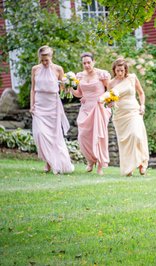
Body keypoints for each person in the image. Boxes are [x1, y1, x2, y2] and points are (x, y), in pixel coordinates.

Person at [30, 45, 74, 174]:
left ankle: (51, 163)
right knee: (40, 134)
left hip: (53, 105)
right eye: (42, 60)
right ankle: (48, 160)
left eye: (46, 60)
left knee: (54, 135)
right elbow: (32, 88)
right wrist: (32, 104)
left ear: (51, 57)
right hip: (39, 104)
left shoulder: (58, 69)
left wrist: (67, 85)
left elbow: (63, 89)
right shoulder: (35, 69)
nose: (44, 63)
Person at [107, 58, 149, 176]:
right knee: (125, 142)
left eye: (122, 70)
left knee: (136, 135)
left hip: (133, 111)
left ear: (126, 70)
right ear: (114, 70)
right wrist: (110, 103)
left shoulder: (132, 78)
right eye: (117, 71)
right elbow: (109, 101)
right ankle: (129, 168)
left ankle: (142, 162)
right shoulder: (111, 83)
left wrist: (142, 105)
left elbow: (141, 93)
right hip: (119, 115)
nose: (120, 73)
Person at [71, 52, 111, 175]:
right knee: (83, 136)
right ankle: (90, 160)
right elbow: (79, 93)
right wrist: (70, 89)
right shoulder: (80, 76)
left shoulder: (102, 74)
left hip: (99, 107)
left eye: (89, 62)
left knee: (98, 136)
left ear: (93, 62)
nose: (87, 65)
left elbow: (110, 90)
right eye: (84, 63)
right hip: (85, 107)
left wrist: (103, 99)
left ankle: (99, 165)